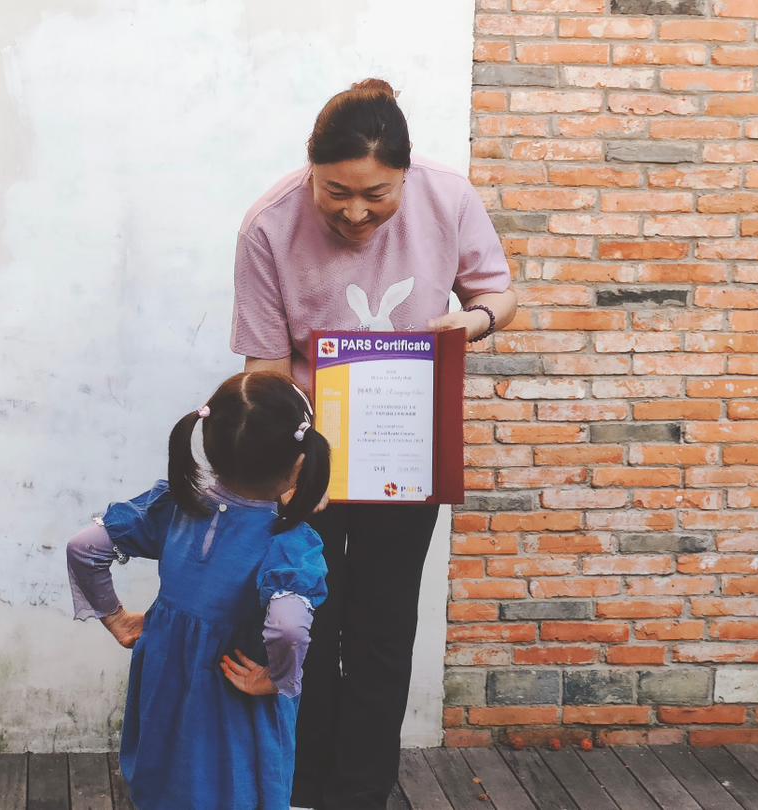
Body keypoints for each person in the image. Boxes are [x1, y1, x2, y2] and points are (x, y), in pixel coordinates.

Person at [231, 79, 517, 809]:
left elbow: (497, 294)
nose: (355, 212)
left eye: (377, 195)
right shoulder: (268, 224)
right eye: (336, 192)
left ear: (406, 175)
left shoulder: (449, 198)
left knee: (384, 627)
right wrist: (290, 466)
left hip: (404, 449)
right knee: (307, 618)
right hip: (310, 459)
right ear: (312, 170)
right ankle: (303, 787)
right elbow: (266, 368)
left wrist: (474, 323)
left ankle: (361, 792)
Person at [66, 371, 331, 810]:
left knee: (166, 784)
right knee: (238, 788)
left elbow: (84, 547)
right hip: (235, 690)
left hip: (164, 685)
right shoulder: (288, 545)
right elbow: (288, 628)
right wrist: (278, 678)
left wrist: (116, 618)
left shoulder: (176, 506)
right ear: (299, 464)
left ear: (207, 443)